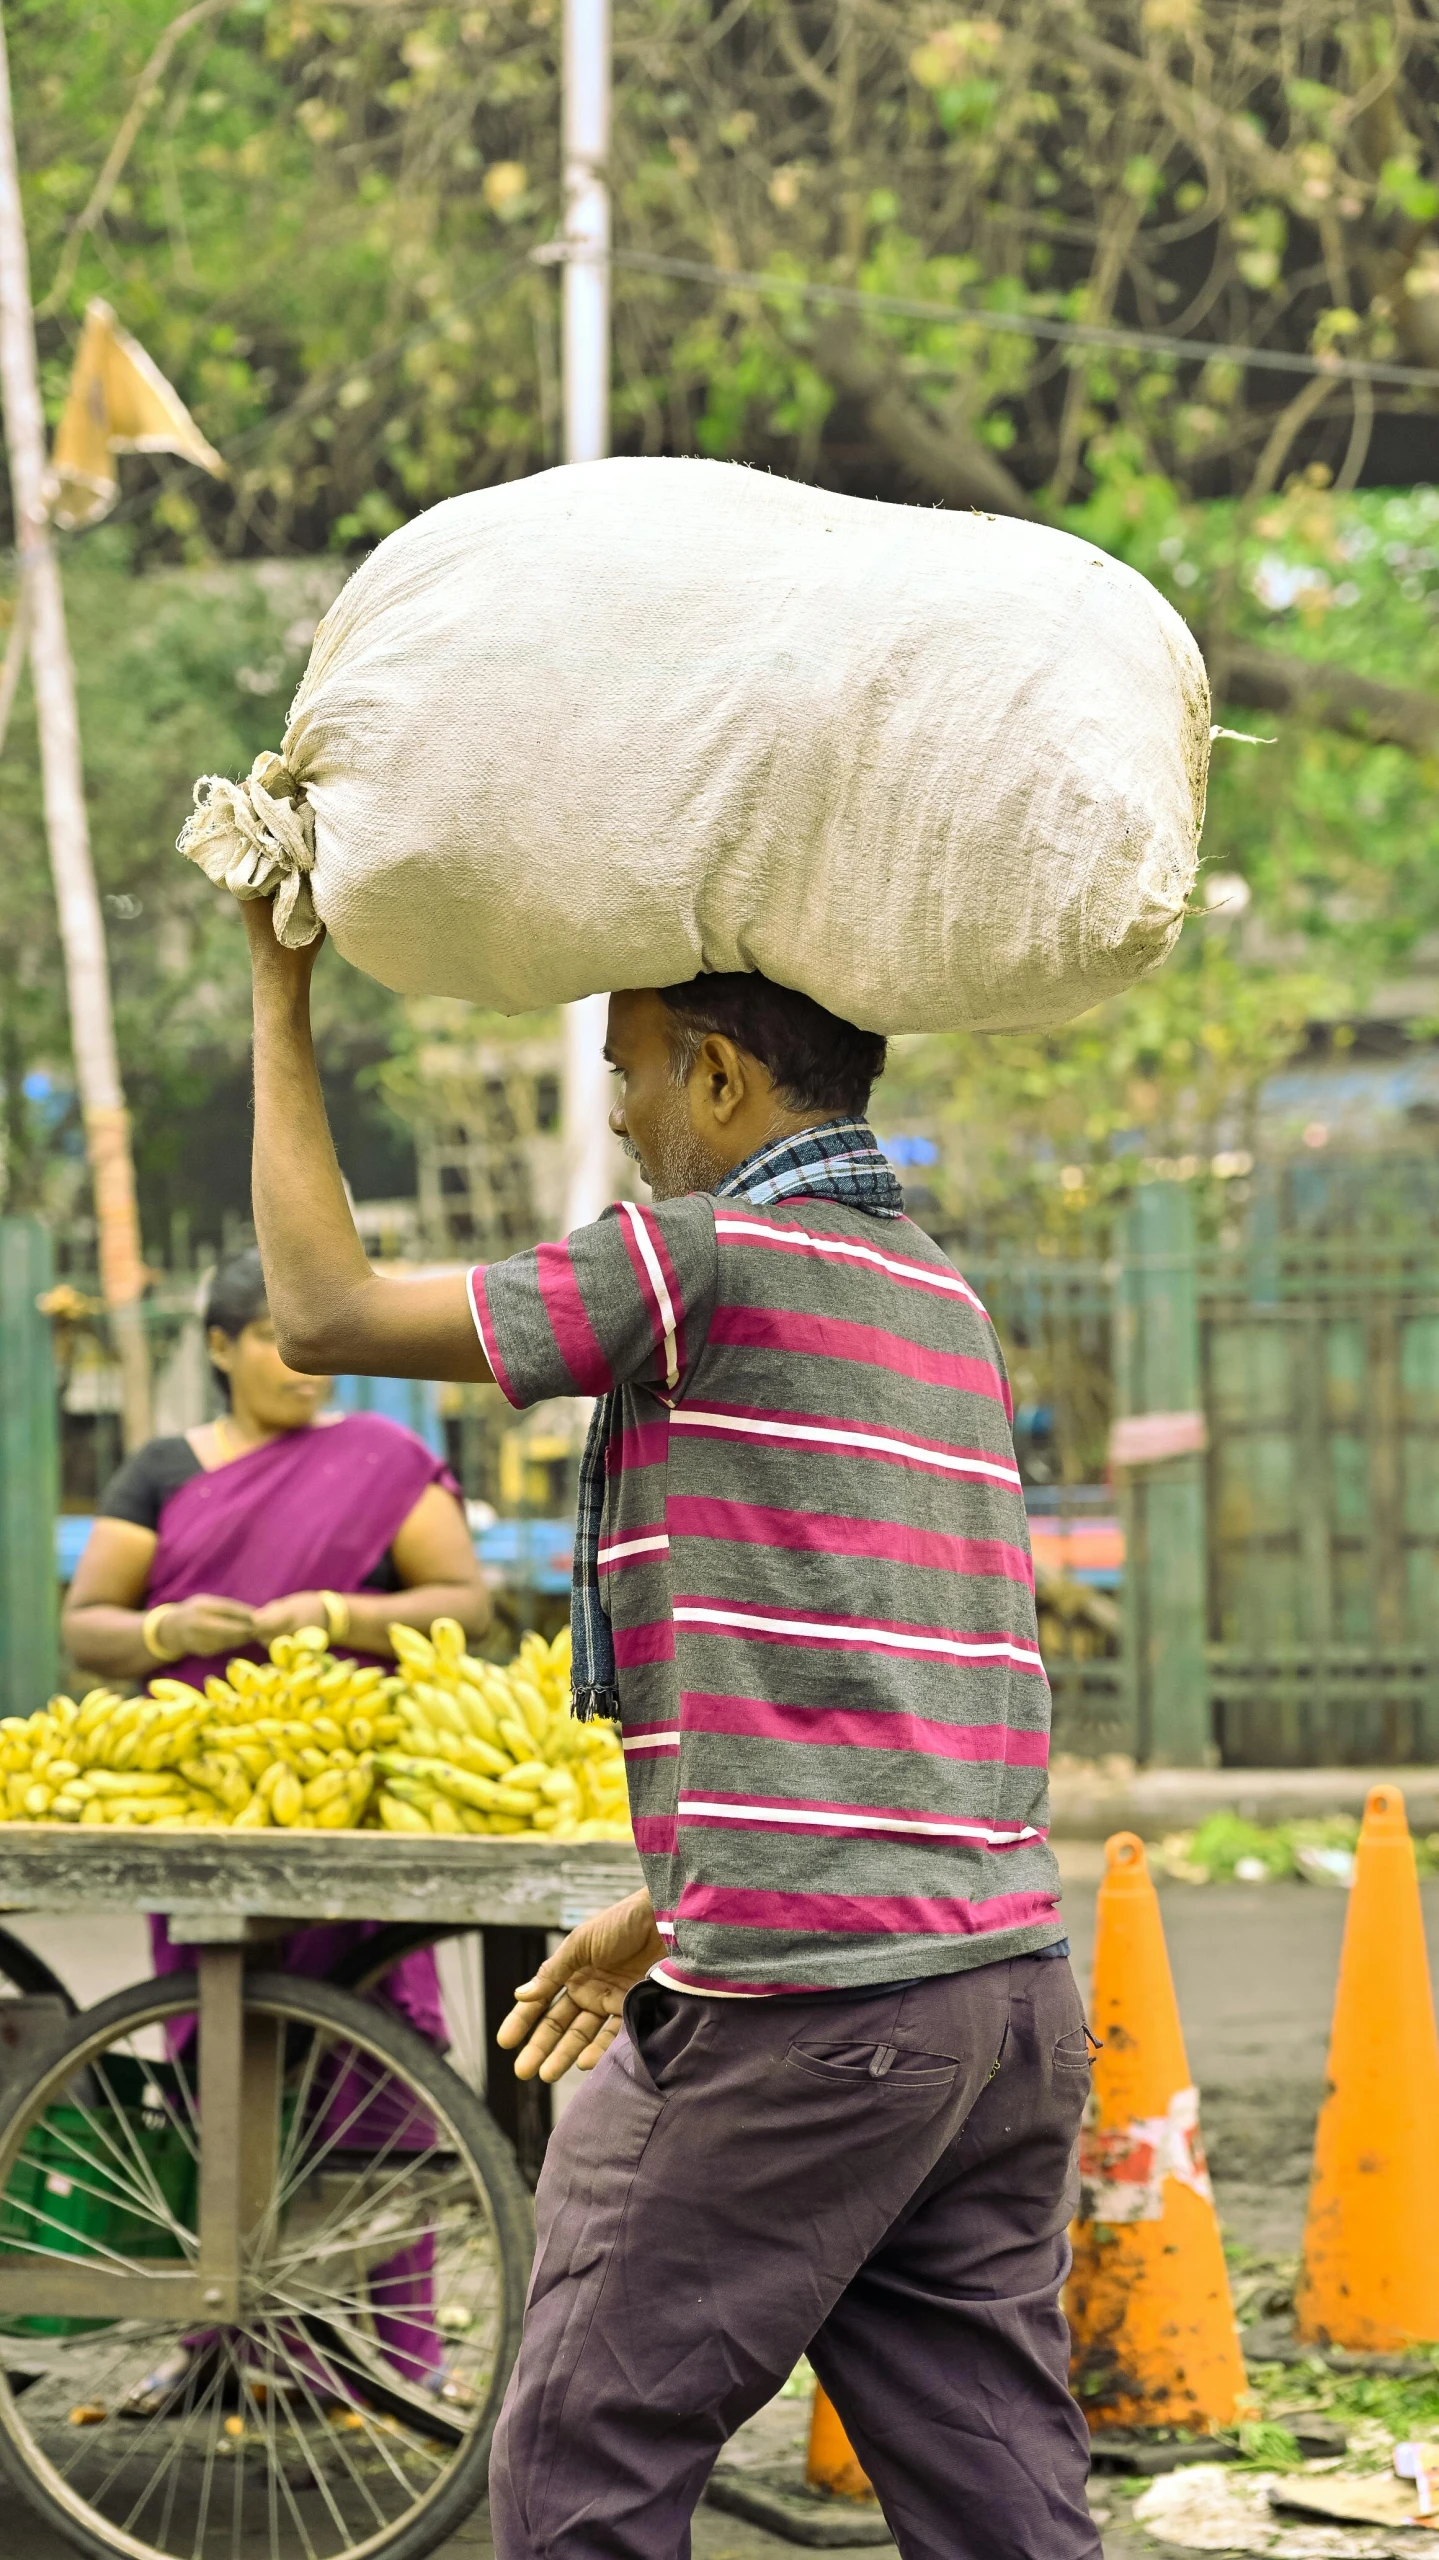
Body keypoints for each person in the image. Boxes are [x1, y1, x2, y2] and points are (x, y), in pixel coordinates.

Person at [241, 899, 1097, 2560]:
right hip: (1001, 2002)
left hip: (810, 2016)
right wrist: (665, 1900)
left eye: (630, 1071)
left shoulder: (689, 1257)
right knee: (996, 2496)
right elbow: (905, 1681)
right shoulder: (937, 1301)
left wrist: (280, 993)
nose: (624, 1116)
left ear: (715, 1075)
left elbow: (325, 1319)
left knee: (579, 2452)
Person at [63, 1244, 490, 2415]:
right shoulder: (161, 1471)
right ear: (217, 1346)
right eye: (272, 1338)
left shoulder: (385, 1461)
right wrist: (162, 1634)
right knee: (215, 2062)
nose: (302, 1364)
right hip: (203, 1799)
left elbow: (463, 1598)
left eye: (313, 1342)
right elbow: (88, 1620)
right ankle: (233, 2351)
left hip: (347, 1799)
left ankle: (394, 2362)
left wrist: (340, 1611)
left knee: (376, 2067)